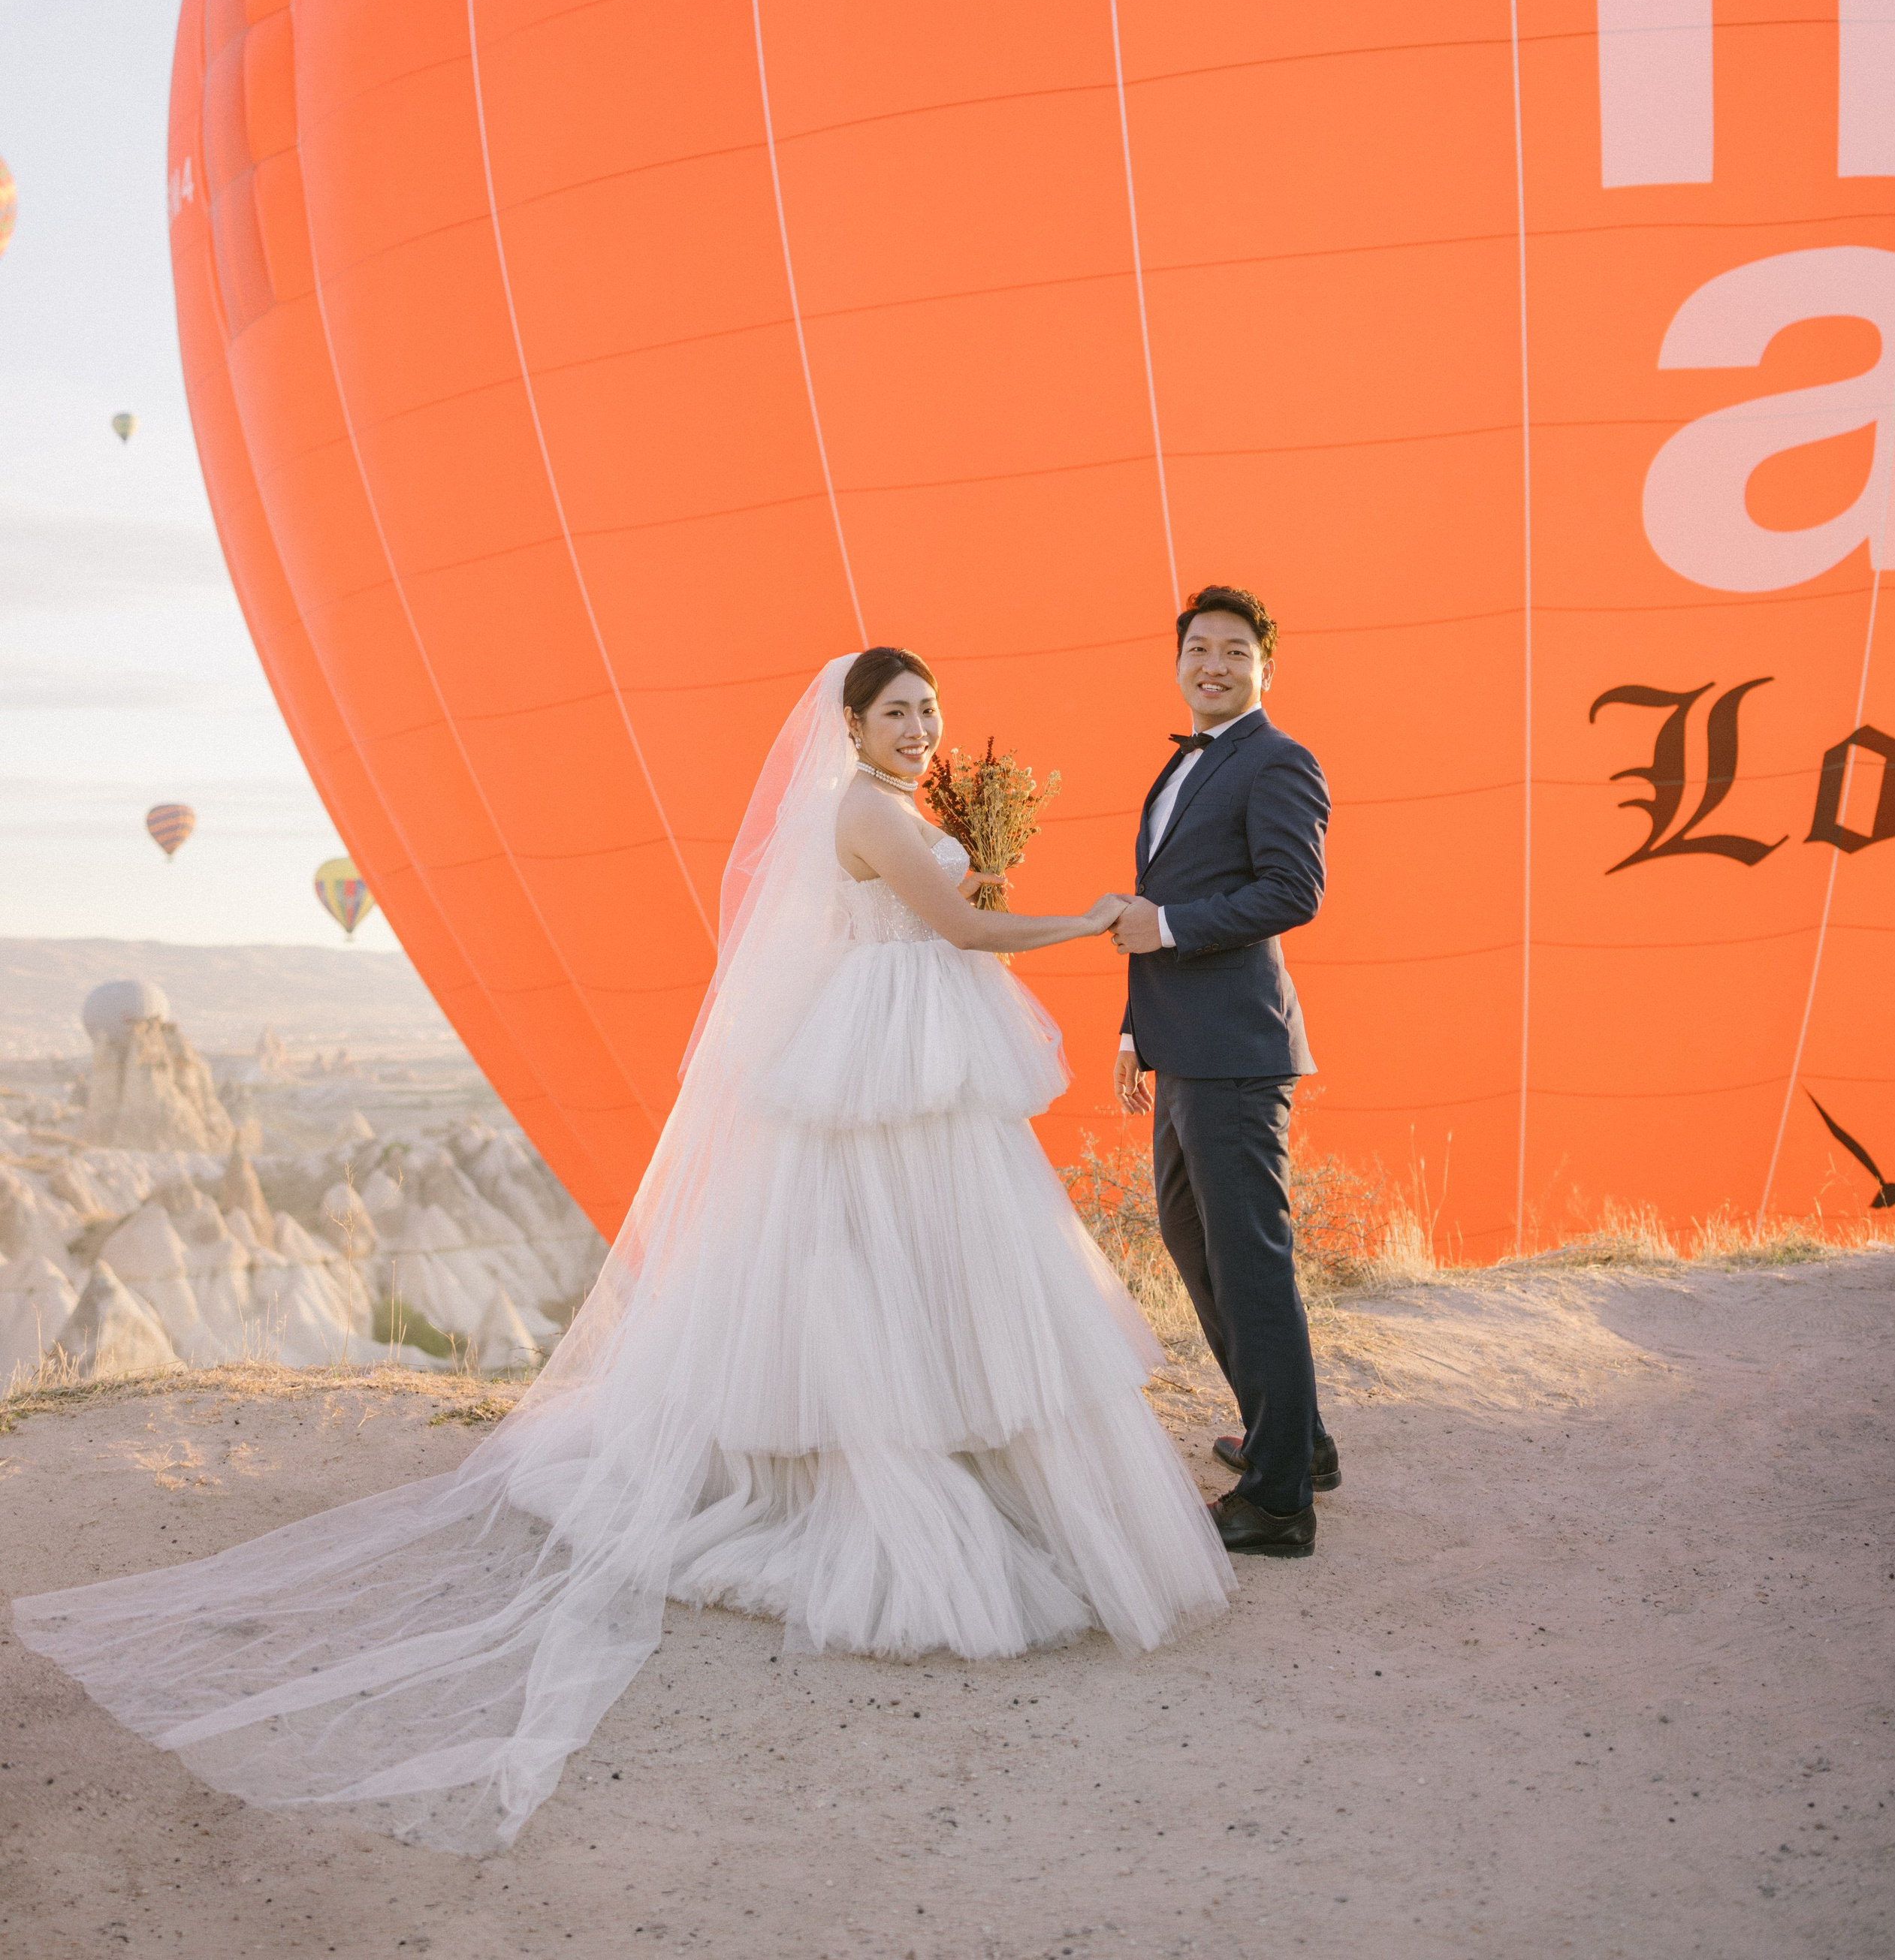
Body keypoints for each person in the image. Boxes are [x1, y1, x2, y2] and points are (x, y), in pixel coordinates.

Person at [14, 648, 1233, 1853]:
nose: (920, 727)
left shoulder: (882, 804)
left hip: (899, 1052)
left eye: (930, 709)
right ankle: (916, 1476)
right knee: (907, 1260)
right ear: (850, 725)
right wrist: (1091, 918)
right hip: (893, 1051)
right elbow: (959, 925)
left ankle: (944, 1457)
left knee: (914, 1263)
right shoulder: (867, 808)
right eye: (897, 712)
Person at [1108, 585, 1338, 1556]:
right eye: (1198, 647)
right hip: (1181, 1044)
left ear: (1264, 668)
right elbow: (1162, 897)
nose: (1213, 663)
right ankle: (1297, 1436)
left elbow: (1294, 889)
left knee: (1251, 1261)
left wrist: (1165, 928)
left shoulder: (1279, 760)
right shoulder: (1184, 764)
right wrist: (1133, 1027)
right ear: (1178, 662)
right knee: (1191, 1233)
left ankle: (1281, 1500)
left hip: (1239, 1052)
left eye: (1234, 650)